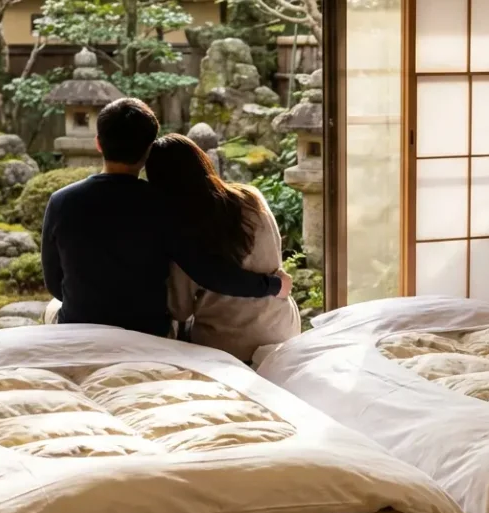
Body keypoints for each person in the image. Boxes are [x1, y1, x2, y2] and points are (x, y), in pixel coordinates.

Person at [40, 98, 291, 336]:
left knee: (52, 307)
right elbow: (209, 272)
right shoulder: (165, 205)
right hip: (146, 334)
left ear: (98, 143)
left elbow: (54, 283)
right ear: (149, 149)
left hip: (79, 327)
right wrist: (271, 286)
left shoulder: (61, 201)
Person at [146, 134, 301, 363]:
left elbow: (180, 309)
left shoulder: (186, 228)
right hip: (281, 330)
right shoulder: (252, 198)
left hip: (226, 345)